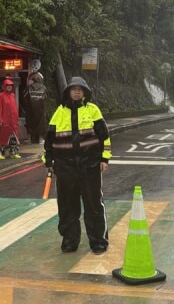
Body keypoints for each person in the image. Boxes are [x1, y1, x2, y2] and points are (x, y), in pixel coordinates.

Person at [43, 76, 111, 254]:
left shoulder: (93, 110)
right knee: (67, 206)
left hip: (90, 166)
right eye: (73, 89)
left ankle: (98, 240)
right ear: (68, 92)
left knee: (93, 204)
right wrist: (49, 161)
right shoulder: (59, 112)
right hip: (65, 168)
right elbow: (49, 139)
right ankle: (69, 240)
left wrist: (104, 158)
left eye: (80, 89)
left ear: (85, 92)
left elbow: (104, 136)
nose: (77, 91)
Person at [0, 78, 20, 160]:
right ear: (4, 86)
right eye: (7, 86)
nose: (9, 87)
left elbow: (15, 108)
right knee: (1, 138)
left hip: (13, 121)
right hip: (5, 121)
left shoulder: (12, 95)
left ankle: (13, 152)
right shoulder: (0, 96)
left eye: (10, 86)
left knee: (13, 138)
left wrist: (16, 118)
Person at [23, 71, 48, 144]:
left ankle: (29, 139)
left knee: (30, 123)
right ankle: (41, 139)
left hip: (30, 109)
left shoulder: (29, 87)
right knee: (41, 123)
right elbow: (45, 97)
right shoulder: (43, 87)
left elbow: (24, 97)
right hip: (40, 109)